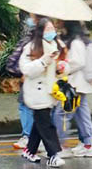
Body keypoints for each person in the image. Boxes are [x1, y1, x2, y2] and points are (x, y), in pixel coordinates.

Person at [19, 17, 66, 166]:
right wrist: (44, 61)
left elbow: (60, 70)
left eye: (53, 29)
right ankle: (53, 155)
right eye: (47, 29)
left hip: (50, 93)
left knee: (39, 124)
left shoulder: (57, 46)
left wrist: (61, 69)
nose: (51, 32)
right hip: (36, 93)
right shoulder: (31, 47)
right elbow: (26, 69)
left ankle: (29, 151)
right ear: (40, 31)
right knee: (46, 125)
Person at [54, 21, 92, 158]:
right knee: (81, 115)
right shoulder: (75, 41)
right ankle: (88, 145)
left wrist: (64, 66)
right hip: (78, 84)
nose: (58, 25)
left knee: (62, 114)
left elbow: (78, 62)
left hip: (75, 84)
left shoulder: (76, 42)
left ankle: (61, 146)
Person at [8, 13, 37, 151]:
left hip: (28, 82)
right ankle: (37, 139)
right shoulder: (49, 42)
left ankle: (27, 137)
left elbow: (11, 63)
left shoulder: (26, 41)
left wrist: (22, 71)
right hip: (43, 84)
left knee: (25, 108)